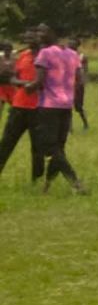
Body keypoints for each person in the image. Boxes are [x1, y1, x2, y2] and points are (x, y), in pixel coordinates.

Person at [32, 32, 85, 193]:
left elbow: (39, 81)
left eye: (41, 32)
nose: (38, 35)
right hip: (66, 105)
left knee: (50, 146)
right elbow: (80, 80)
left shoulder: (45, 53)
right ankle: (47, 185)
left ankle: (75, 181)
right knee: (59, 147)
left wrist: (26, 86)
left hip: (48, 105)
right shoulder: (73, 54)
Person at [0, 28, 44, 181]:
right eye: (28, 38)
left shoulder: (46, 57)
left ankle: (36, 179)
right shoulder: (23, 56)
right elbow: (13, 78)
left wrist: (36, 85)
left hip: (38, 108)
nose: (30, 40)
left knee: (38, 146)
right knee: (6, 142)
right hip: (19, 106)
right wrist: (24, 83)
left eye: (33, 37)